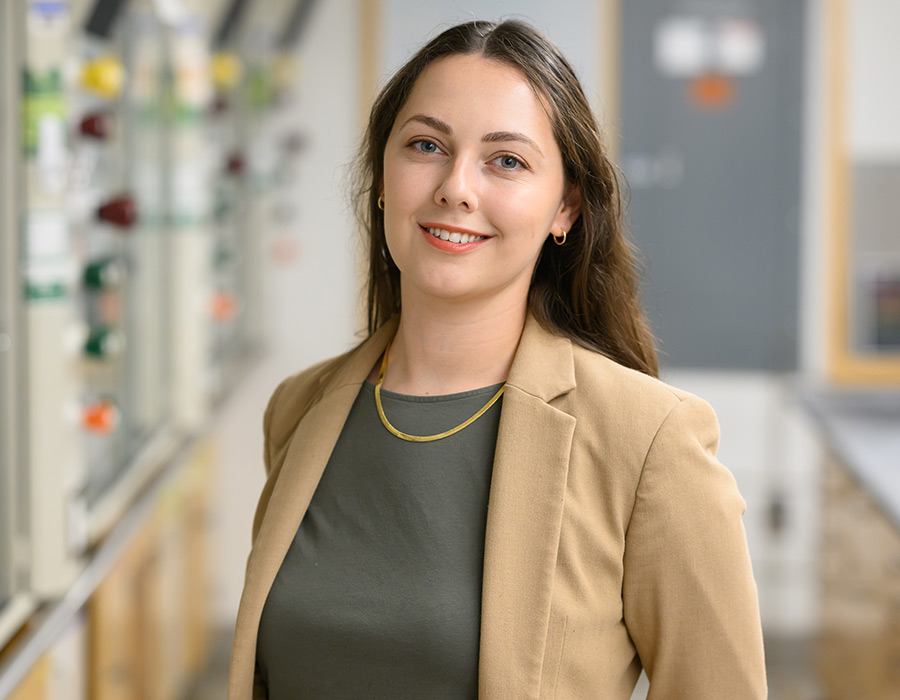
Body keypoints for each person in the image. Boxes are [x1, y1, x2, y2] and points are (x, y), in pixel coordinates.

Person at [227, 19, 766, 700]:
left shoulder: (648, 440)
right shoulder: (300, 410)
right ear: (384, 177)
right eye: (426, 145)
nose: (456, 187)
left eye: (505, 160)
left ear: (565, 206)